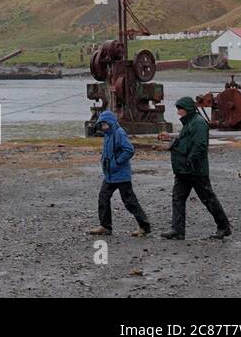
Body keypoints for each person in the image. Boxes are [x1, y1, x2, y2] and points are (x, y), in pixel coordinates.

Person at [161, 96, 232, 240]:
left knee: (208, 199)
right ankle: (177, 230)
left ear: (187, 109)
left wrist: (190, 161)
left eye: (180, 109)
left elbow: (200, 146)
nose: (178, 113)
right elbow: (184, 141)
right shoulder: (189, 123)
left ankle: (224, 227)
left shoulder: (198, 124)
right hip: (183, 170)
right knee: (177, 198)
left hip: (195, 170)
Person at [86, 110, 151, 237]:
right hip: (110, 175)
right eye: (102, 124)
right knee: (103, 198)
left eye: (105, 124)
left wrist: (116, 163)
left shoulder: (119, 133)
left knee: (129, 201)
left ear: (110, 122)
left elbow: (129, 150)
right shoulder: (108, 135)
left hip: (121, 175)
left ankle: (144, 226)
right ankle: (105, 226)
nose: (103, 127)